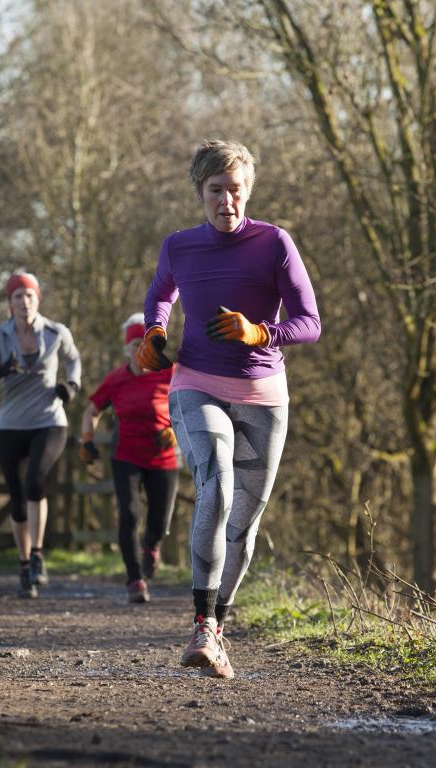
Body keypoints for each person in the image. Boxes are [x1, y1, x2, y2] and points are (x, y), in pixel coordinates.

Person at [139, 140, 321, 678]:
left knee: (244, 518)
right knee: (215, 486)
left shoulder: (274, 243)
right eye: (216, 190)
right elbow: (160, 295)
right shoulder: (179, 246)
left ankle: (217, 627)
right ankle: (201, 625)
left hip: (264, 393)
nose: (227, 201)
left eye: (236, 190)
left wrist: (260, 332)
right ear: (201, 192)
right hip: (196, 382)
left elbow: (310, 322)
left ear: (249, 191)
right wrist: (154, 332)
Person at [0, 271, 82, 598]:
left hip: (49, 420)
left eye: (29, 295)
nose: (24, 302)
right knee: (16, 497)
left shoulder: (56, 332)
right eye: (18, 296)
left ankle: (38, 555)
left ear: (37, 299)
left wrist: (72, 386)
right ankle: (23, 564)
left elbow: (74, 359)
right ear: (10, 302)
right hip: (10, 424)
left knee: (34, 481)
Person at [79, 312, 179, 605]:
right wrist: (87, 439)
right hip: (126, 456)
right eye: (136, 344)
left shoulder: (170, 373)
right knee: (129, 514)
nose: (141, 350)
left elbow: (191, 404)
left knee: (159, 521)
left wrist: (175, 429)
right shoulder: (117, 379)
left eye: (146, 344)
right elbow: (92, 410)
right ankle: (135, 579)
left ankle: (151, 548)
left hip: (163, 456)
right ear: (127, 349)